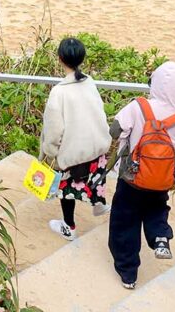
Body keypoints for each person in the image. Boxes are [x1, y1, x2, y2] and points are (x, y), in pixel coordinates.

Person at [108, 61, 175, 290]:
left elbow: (115, 130)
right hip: (160, 179)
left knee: (125, 221)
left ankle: (128, 274)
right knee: (157, 209)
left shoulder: (138, 106)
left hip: (131, 177)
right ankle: (160, 238)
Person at [40, 38, 112, 242]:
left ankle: (68, 227)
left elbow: (54, 130)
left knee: (66, 189)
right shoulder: (89, 82)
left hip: (74, 153)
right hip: (97, 145)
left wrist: (51, 152)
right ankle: (99, 202)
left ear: (60, 59)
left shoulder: (59, 92)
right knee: (94, 176)